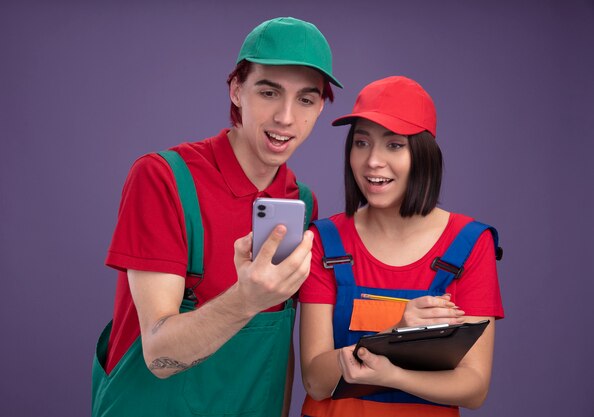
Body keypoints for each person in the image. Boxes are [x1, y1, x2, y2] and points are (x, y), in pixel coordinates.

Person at [91, 17, 343, 417]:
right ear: (237, 89)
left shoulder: (302, 204)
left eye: (306, 100)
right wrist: (246, 299)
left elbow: (278, 350)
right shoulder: (163, 178)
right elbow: (158, 357)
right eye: (268, 92)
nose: (286, 117)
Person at [299, 76, 504, 417]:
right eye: (361, 143)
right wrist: (395, 332)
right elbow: (316, 381)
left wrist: (395, 373)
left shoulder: (469, 244)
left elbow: (474, 387)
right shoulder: (324, 240)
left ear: (423, 154)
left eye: (394, 145)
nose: (372, 161)